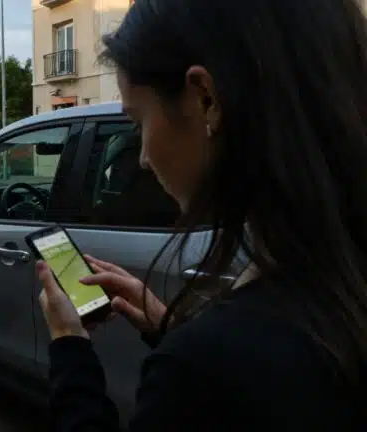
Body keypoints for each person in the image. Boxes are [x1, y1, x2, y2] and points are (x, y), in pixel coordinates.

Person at [38, 0, 367, 430]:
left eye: (139, 122)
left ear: (205, 98)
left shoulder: (205, 366)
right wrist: (169, 326)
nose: (141, 158)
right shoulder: (331, 283)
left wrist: (69, 347)